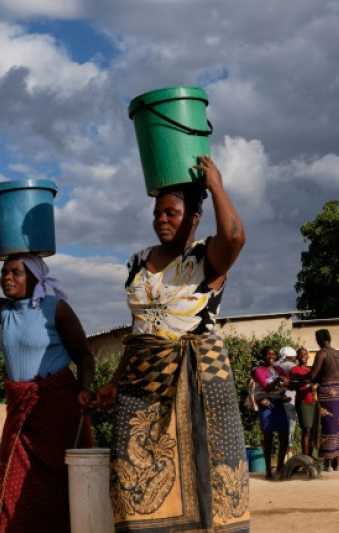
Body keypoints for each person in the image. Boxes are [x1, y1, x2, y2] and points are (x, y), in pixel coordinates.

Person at [96, 155, 249, 532]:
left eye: (171, 213)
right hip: (141, 383)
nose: (161, 219)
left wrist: (216, 186)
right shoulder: (137, 261)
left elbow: (234, 236)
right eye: (157, 213)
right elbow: (140, 329)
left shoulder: (207, 257)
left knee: (209, 474)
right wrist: (115, 381)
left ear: (194, 216)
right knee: (130, 482)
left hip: (200, 378)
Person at [0, 216, 95, 533]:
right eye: (4, 272)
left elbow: (84, 355)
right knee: (16, 491)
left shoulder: (55, 309)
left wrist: (85, 387)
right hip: (21, 417)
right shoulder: (4, 312)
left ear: (34, 276)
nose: (7, 277)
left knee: (64, 487)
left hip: (57, 412)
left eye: (15, 272)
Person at [307, 329, 339, 471]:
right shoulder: (338, 354)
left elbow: (313, 376)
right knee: (338, 425)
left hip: (327, 390)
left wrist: (302, 377)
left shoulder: (322, 353)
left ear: (318, 340)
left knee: (327, 425)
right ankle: (337, 463)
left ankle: (328, 463)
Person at [253, 346, 290, 478]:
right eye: (268, 354)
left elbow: (287, 383)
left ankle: (280, 466)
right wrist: (278, 379)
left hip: (279, 404)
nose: (271, 357)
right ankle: (268, 470)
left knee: (284, 435)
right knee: (268, 437)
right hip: (266, 405)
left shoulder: (279, 369)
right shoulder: (259, 371)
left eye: (273, 354)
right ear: (263, 356)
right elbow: (267, 388)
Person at [290, 347, 317, 457]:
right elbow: (296, 385)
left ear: (308, 356)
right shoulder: (295, 369)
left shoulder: (312, 369)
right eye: (300, 355)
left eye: (305, 354)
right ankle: (305, 457)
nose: (303, 357)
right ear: (297, 357)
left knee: (313, 431)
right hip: (303, 402)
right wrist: (308, 385)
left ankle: (310, 456)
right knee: (306, 429)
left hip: (314, 402)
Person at [278, 346, 299, 455]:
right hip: (290, 399)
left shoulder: (277, 365)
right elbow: (296, 382)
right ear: (291, 357)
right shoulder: (291, 366)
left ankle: (283, 451)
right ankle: (289, 451)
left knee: (283, 426)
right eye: (295, 357)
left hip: (280, 398)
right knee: (291, 425)